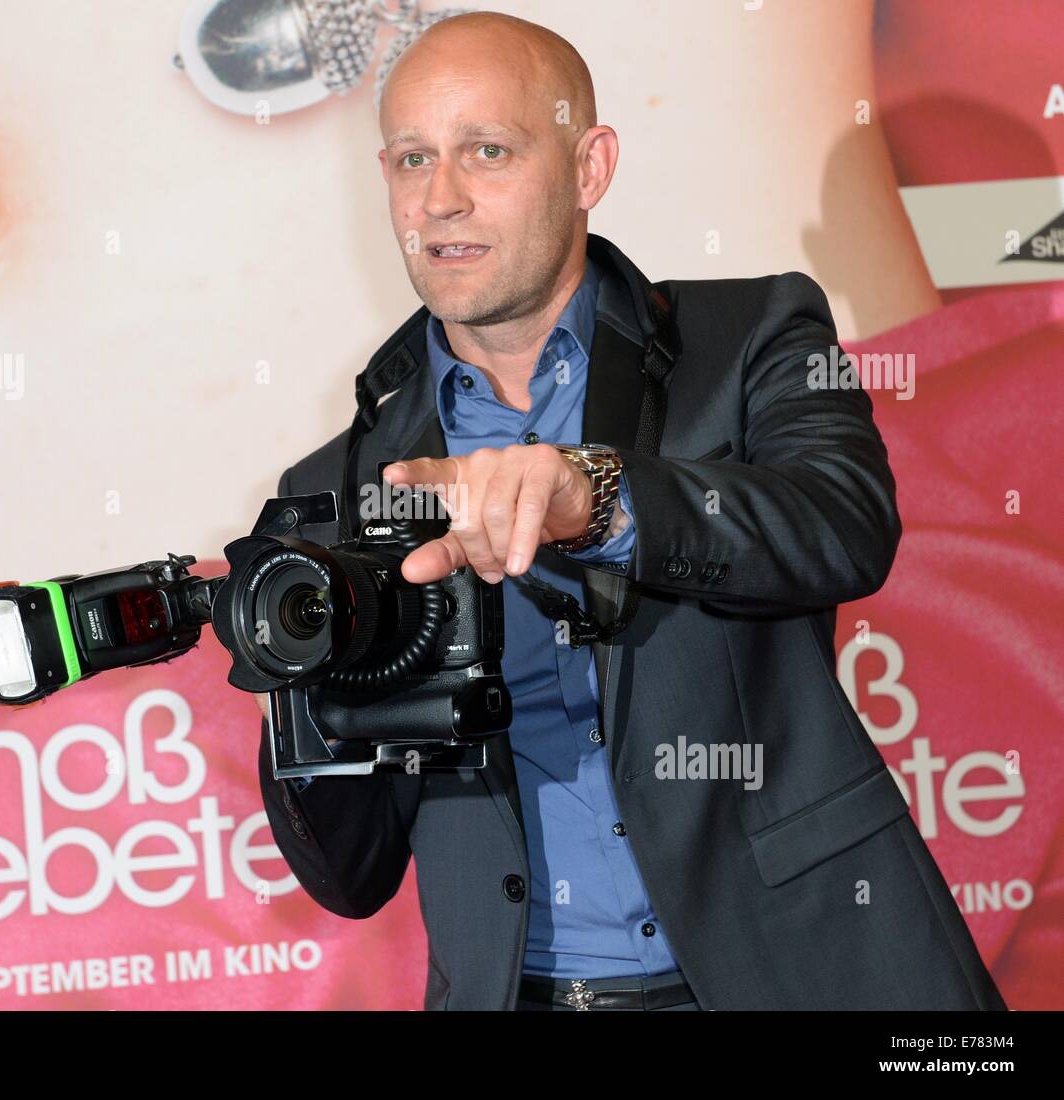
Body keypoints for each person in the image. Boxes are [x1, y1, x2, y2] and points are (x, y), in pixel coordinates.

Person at [254, 10, 1007, 1011]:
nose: (439, 199)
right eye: (409, 159)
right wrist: (299, 673)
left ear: (588, 164)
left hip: (809, 966)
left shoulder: (749, 333)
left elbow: (841, 525)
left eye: (487, 150)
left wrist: (597, 496)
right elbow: (350, 876)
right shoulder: (348, 484)